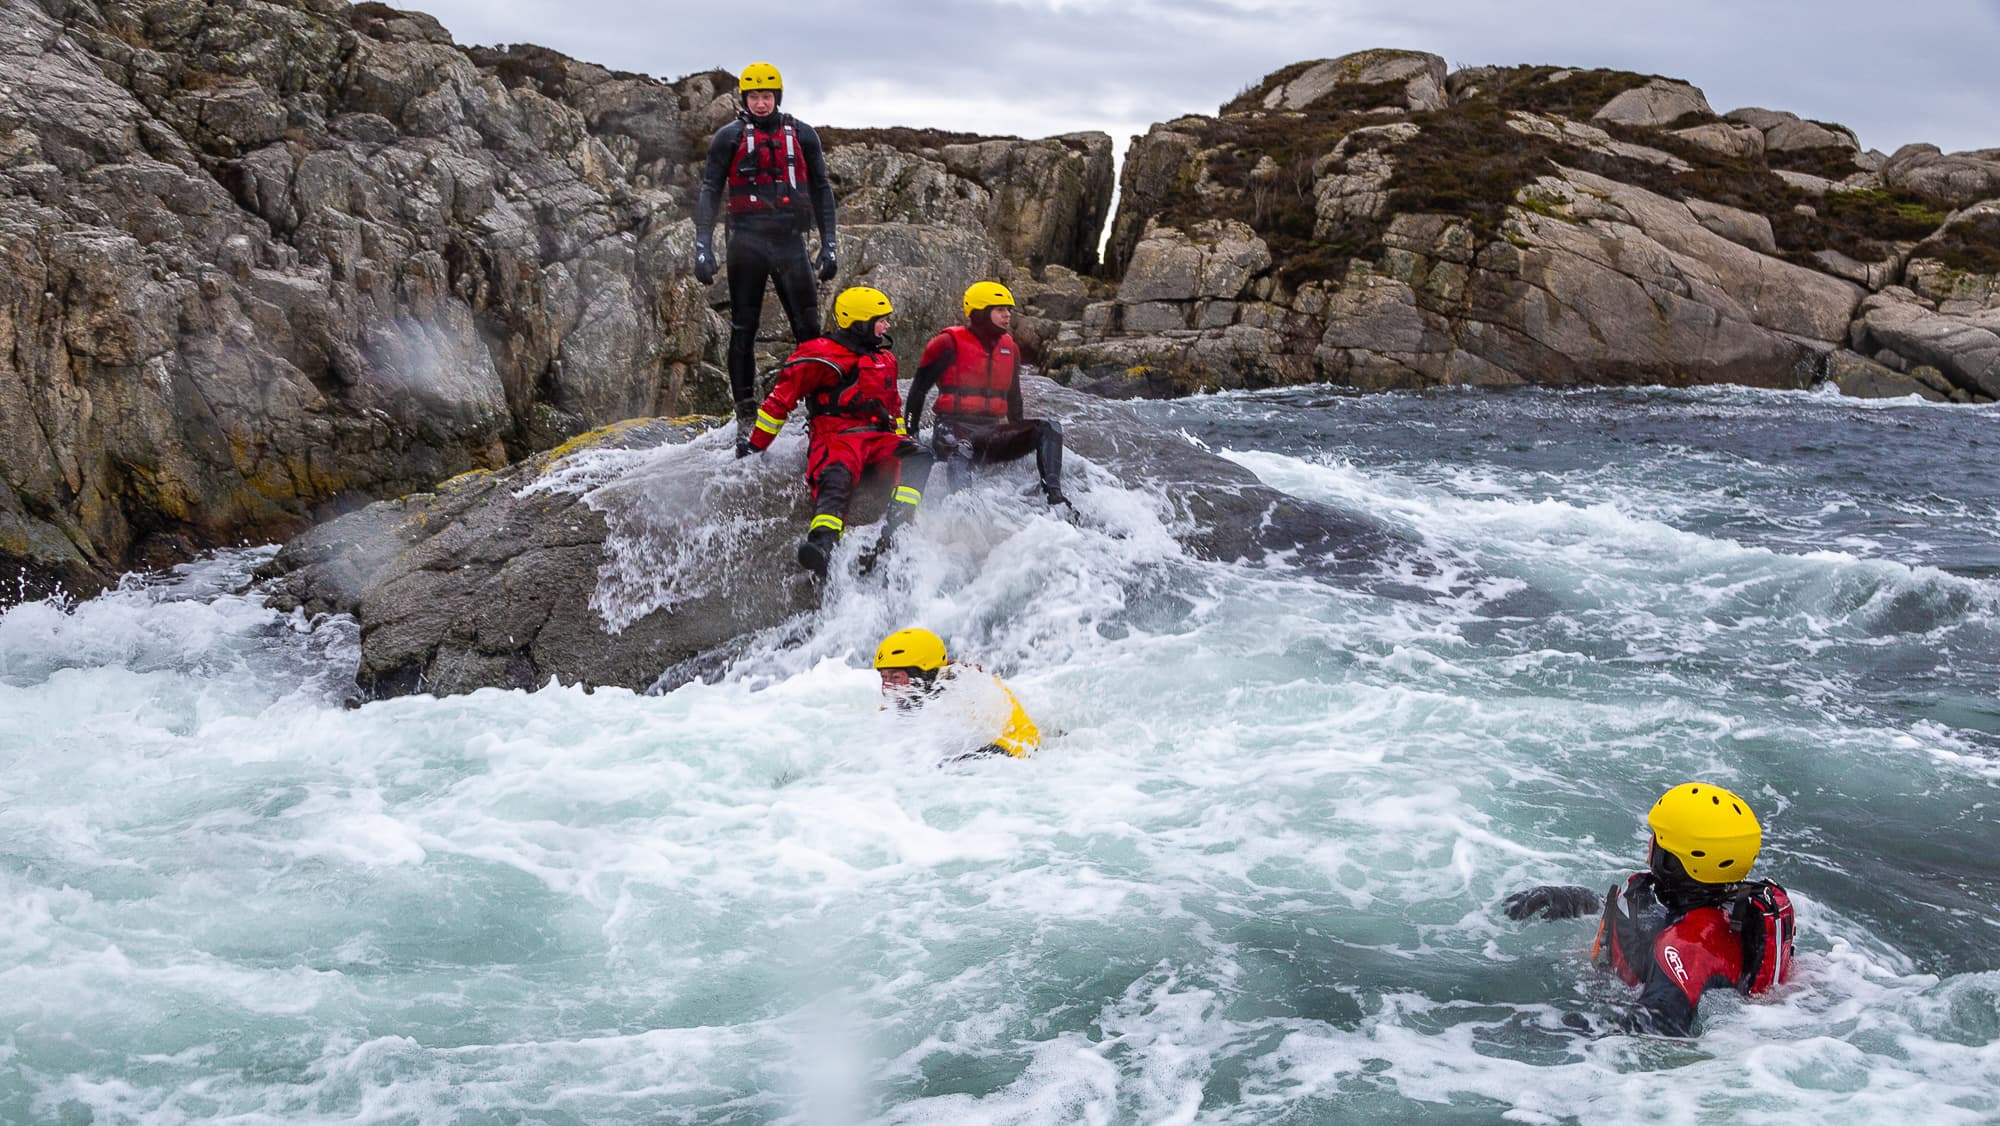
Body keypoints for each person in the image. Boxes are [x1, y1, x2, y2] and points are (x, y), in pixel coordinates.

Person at [1502, 782, 1798, 1037]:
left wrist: (1552, 1027)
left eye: (1658, 837)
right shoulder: (1709, 902)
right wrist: (1572, 899)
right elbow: (1646, 917)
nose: (1650, 842)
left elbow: (1659, 1024)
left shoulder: (1689, 946)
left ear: (1673, 861)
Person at [692, 61, 840, 448]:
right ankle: (746, 413)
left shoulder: (804, 135)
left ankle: (819, 412)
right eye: (754, 96)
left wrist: (830, 243)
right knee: (744, 328)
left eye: (767, 96)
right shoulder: (728, 137)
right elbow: (709, 190)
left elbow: (823, 190)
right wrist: (702, 245)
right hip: (746, 243)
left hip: (790, 241)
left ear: (777, 97)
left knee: (809, 332)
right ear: (744, 99)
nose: (761, 103)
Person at [742, 287, 932, 578]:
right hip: (836, 438)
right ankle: (822, 544)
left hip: (877, 439)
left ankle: (897, 525)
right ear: (859, 322)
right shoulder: (819, 356)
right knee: (837, 477)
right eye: (881, 320)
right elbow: (780, 402)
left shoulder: (884, 359)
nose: (887, 326)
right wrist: (756, 446)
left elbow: (893, 406)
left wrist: (903, 437)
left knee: (919, 455)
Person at [905, 282, 1068, 507]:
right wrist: (911, 434)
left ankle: (1054, 497)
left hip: (990, 432)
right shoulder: (946, 343)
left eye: (1008, 310)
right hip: (952, 428)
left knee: (1049, 428)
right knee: (963, 448)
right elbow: (918, 390)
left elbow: (1014, 398)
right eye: (1000, 309)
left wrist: (1018, 433)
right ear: (980, 312)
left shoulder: (1010, 348)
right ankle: (964, 508)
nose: (1007, 315)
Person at [873, 628, 1039, 758]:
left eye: (895, 677)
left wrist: (972, 760)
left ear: (924, 675)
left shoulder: (973, 688)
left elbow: (1028, 737)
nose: (887, 687)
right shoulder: (898, 703)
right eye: (884, 677)